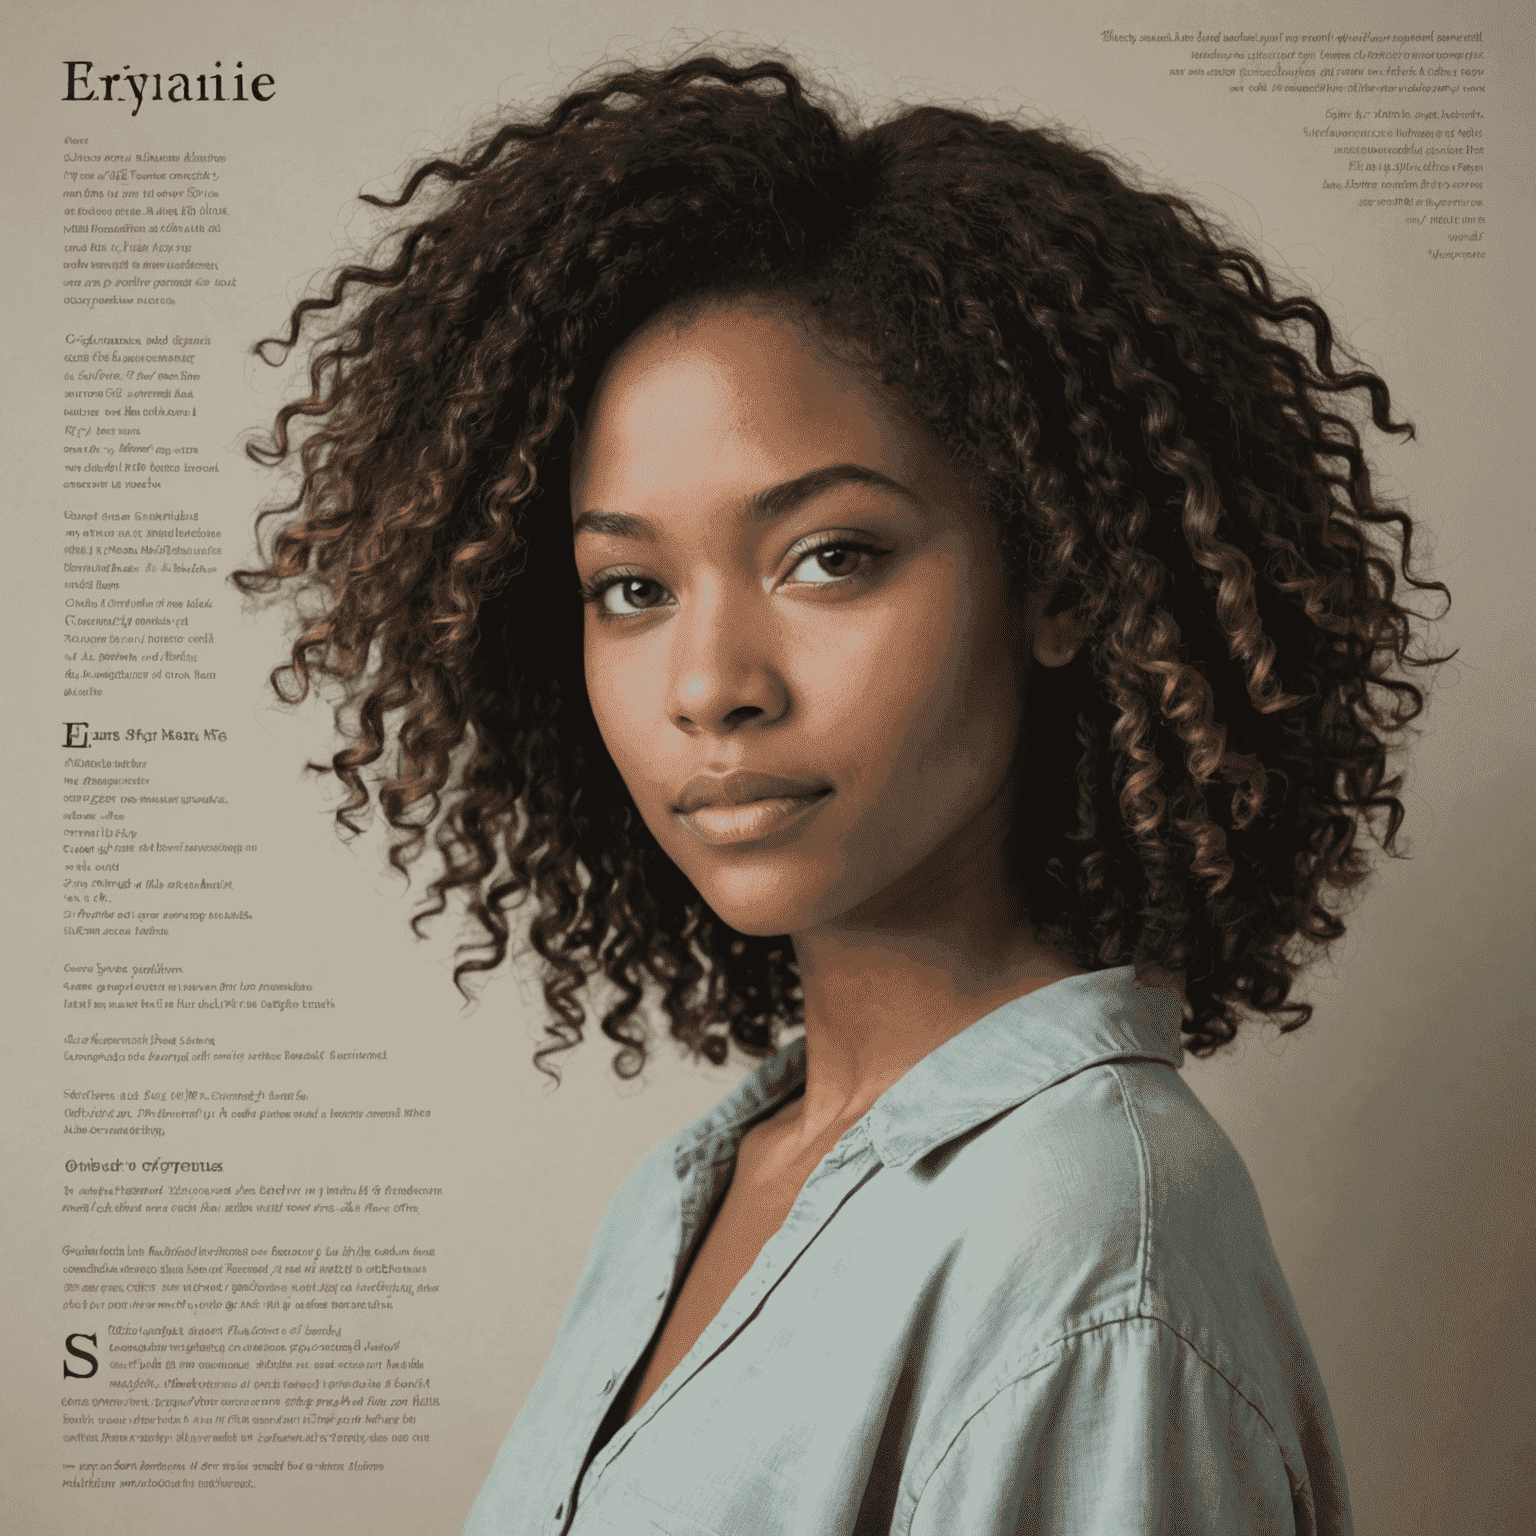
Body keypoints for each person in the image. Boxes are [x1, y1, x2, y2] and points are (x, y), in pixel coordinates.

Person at [237, 55, 1445, 1535]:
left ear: (1059, 578)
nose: (709, 683)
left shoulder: (1090, 1257)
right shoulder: (697, 1190)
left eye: (830, 556)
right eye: (630, 586)